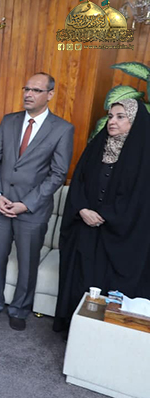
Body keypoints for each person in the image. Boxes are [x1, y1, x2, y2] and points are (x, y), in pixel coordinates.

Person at [0, 73, 74, 331]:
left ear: (50, 94)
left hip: (32, 211)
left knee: (27, 263)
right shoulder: (9, 121)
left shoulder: (62, 129)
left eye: (36, 90)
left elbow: (58, 174)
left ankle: (19, 309)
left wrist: (27, 204)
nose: (28, 94)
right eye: (26, 89)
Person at [54, 99, 150, 332]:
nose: (112, 121)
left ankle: (104, 338)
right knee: (82, 281)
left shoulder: (144, 155)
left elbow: (140, 198)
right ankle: (77, 331)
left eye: (120, 116)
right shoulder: (96, 147)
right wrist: (82, 209)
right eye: (110, 116)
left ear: (135, 121)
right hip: (86, 230)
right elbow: (78, 183)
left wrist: (105, 214)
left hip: (120, 237)